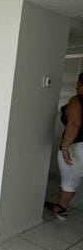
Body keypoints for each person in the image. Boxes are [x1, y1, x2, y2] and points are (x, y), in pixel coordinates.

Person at [47, 72, 83, 219]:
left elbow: (74, 124)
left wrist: (65, 147)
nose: (76, 86)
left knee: (69, 181)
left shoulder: (77, 100)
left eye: (78, 83)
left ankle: (61, 209)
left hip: (78, 148)